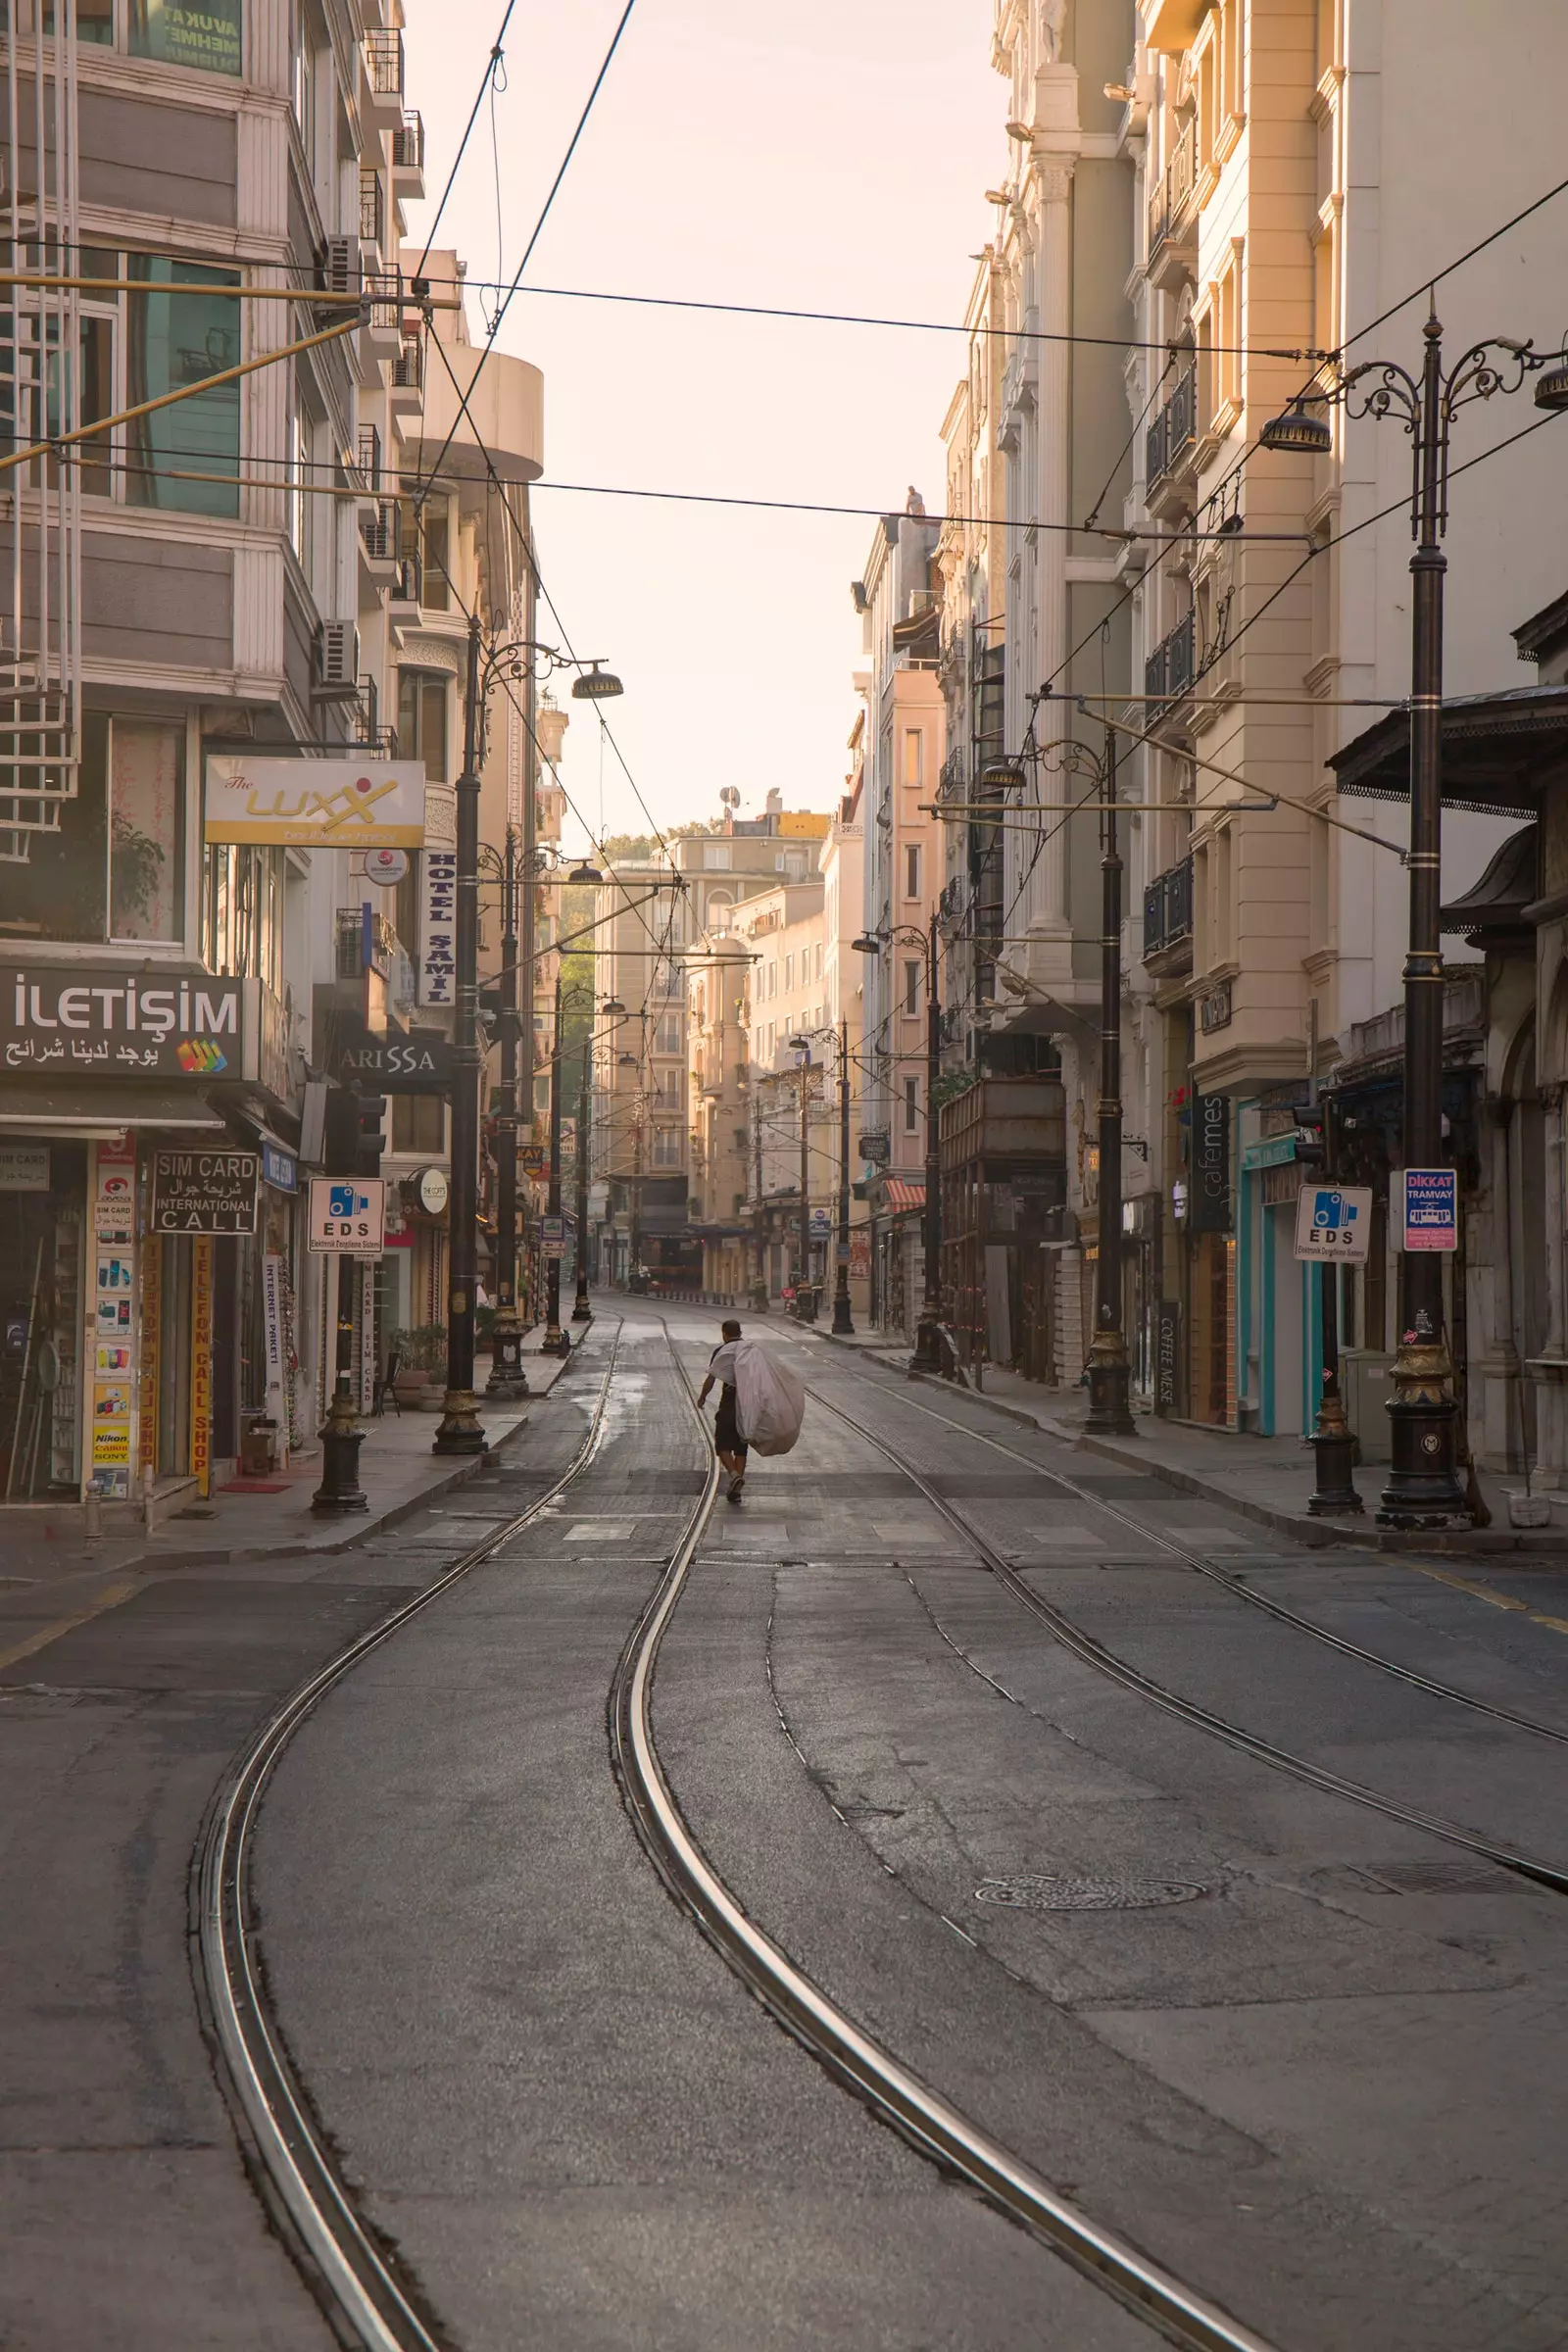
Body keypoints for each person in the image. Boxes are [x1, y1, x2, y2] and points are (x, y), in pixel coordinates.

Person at [697, 1317, 748, 1501]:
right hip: (747, 1406)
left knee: (722, 1445)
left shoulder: (721, 1351)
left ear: (724, 1334)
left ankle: (734, 1476)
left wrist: (702, 1397)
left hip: (728, 1405)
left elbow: (712, 1378)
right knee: (741, 1447)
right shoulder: (750, 1350)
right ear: (740, 1333)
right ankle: (737, 1488)